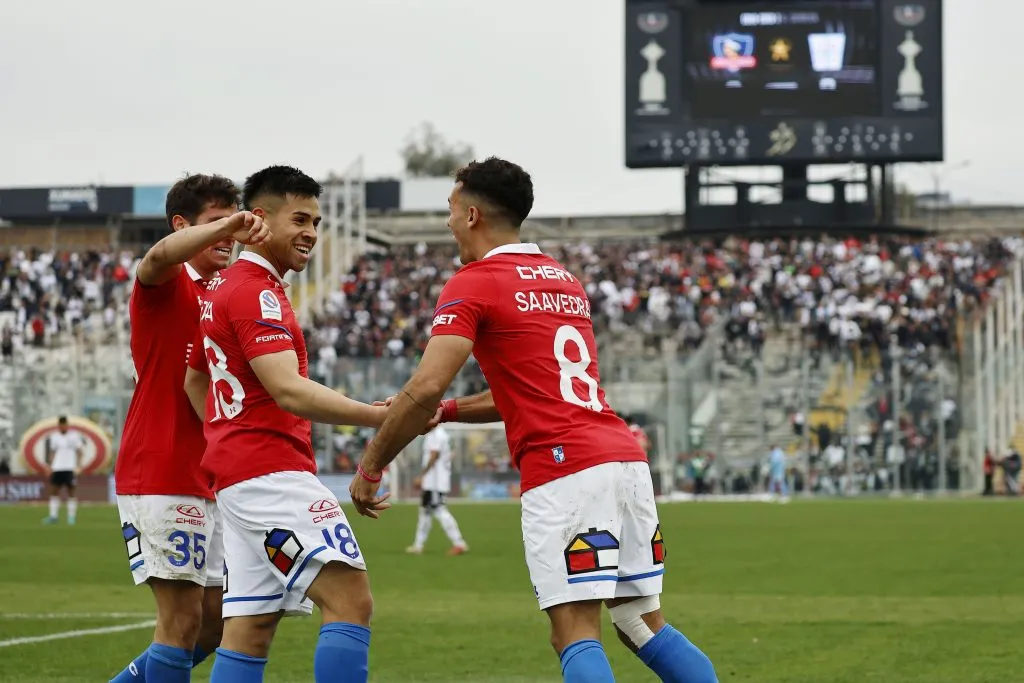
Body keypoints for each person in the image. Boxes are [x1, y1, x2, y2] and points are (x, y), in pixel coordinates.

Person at [350, 157, 718, 683]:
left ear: (473, 215)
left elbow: (427, 382)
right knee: (640, 620)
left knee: (573, 631)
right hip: (622, 460)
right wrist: (450, 413)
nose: (448, 221)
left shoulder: (473, 283)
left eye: (451, 210)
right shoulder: (564, 280)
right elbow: (526, 392)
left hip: (565, 470)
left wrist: (371, 464)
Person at [183, 165, 387, 683]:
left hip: (238, 478)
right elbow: (288, 389)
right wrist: (376, 417)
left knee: (250, 627)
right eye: (299, 219)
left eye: (316, 222)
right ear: (259, 219)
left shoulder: (221, 288)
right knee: (349, 599)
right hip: (270, 474)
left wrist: (226, 438)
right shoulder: (257, 291)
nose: (311, 233)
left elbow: (194, 383)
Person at [110, 173, 269, 683]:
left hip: (210, 476)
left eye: (233, 220)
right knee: (179, 623)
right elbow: (155, 258)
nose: (227, 234)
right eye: (214, 222)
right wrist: (233, 225)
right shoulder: (167, 282)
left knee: (215, 626)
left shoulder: (227, 295)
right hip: (160, 467)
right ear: (182, 227)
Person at [406, 425, 468, 556]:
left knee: (439, 511)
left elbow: (434, 456)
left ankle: (459, 543)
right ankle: (418, 545)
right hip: (433, 482)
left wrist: (421, 476)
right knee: (425, 512)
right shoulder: (438, 434)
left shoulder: (437, 435)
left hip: (434, 482)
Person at [41, 415, 85, 525]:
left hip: (70, 468)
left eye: (64, 425)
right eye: (60, 425)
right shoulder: (54, 437)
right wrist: (50, 466)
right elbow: (52, 452)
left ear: (67, 425)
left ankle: (71, 517)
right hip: (57, 467)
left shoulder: (74, 436)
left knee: (71, 492)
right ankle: (53, 516)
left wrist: (79, 466)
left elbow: (80, 451)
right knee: (54, 491)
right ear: (59, 426)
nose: (62, 427)